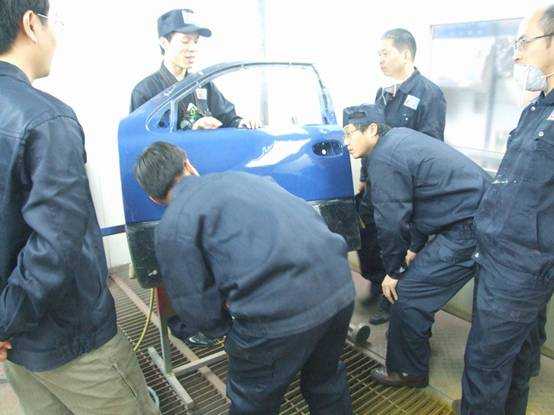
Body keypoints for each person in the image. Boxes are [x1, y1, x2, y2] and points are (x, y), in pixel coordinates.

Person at [0, 2, 158, 414]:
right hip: (72, 344)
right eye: (54, 23)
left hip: (14, 347)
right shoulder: (46, 120)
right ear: (31, 24)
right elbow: (56, 244)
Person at [134, 141, 355, 414]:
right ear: (188, 165)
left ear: (153, 198)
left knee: (252, 402)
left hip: (277, 318)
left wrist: (228, 331)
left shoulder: (171, 226)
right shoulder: (249, 180)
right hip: (339, 289)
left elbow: (195, 305)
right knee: (325, 381)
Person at [343, 105, 489, 388]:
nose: (346, 142)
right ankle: (413, 347)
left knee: (406, 294)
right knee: (413, 288)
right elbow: (424, 198)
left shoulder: (384, 159)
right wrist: (414, 247)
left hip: (470, 227)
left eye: (350, 134)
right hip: (474, 216)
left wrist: (393, 271)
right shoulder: (398, 139)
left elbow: (391, 222)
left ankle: (408, 371)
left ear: (372, 129)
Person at [456, 6, 554, 414]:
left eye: (524, 42)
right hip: (498, 260)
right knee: (512, 365)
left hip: (522, 269)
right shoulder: (537, 109)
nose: (517, 54)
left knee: (485, 369)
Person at [358, 28, 447, 325]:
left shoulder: (429, 93)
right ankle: (376, 285)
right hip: (377, 182)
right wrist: (364, 176)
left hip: (403, 188)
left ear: (406, 54)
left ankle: (391, 299)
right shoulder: (383, 93)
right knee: (371, 237)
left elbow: (431, 148)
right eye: (378, 54)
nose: (380, 60)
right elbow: (370, 137)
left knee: (396, 240)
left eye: (385, 53)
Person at [130, 8, 261, 131]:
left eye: (196, 42)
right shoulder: (145, 91)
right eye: (185, 41)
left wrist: (240, 122)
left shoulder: (203, 84)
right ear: (164, 43)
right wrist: (192, 128)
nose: (193, 48)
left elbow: (227, 118)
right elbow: (141, 140)